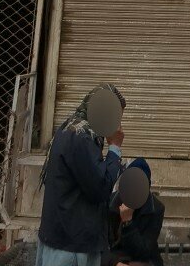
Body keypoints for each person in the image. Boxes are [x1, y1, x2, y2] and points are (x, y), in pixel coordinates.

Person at [38, 84, 127, 266]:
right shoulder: (81, 138)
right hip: (71, 247)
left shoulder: (70, 128)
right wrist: (115, 148)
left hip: (62, 237)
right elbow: (100, 188)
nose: (118, 126)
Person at [103, 158, 165, 266]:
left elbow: (144, 252)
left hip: (143, 260)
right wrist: (115, 263)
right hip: (115, 259)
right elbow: (99, 245)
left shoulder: (156, 209)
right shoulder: (109, 204)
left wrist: (128, 222)